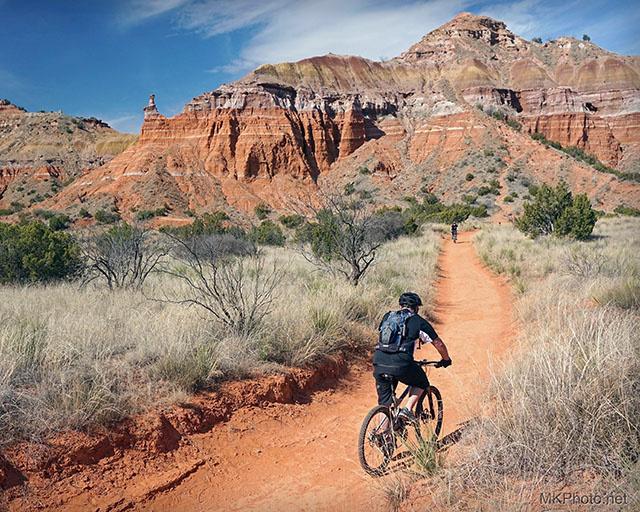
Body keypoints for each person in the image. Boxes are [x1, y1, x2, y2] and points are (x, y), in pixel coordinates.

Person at [373, 292, 451, 423]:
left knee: (385, 404)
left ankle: (384, 437)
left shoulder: (388, 316)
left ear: (400, 306)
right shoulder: (418, 321)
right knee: (421, 382)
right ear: (416, 308)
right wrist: (446, 360)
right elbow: (438, 343)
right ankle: (408, 409)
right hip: (401, 364)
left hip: (379, 362)